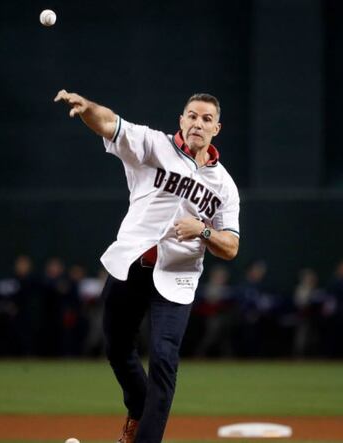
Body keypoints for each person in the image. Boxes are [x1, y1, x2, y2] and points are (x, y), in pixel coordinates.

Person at [54, 90, 240, 443]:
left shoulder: (225, 187)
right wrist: (87, 109)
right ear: (181, 120)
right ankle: (137, 408)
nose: (197, 123)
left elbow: (231, 247)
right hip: (133, 265)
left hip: (177, 278)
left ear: (216, 128)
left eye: (205, 119)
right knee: (117, 348)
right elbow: (110, 124)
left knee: (164, 363)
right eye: (192, 115)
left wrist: (202, 229)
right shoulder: (155, 146)